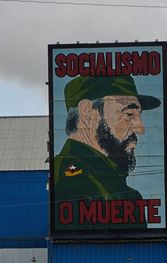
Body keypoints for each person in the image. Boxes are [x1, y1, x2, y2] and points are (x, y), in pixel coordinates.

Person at [52, 75, 161, 230]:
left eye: (138, 116)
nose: (140, 129)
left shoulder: (119, 189)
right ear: (87, 112)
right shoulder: (71, 182)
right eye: (129, 114)